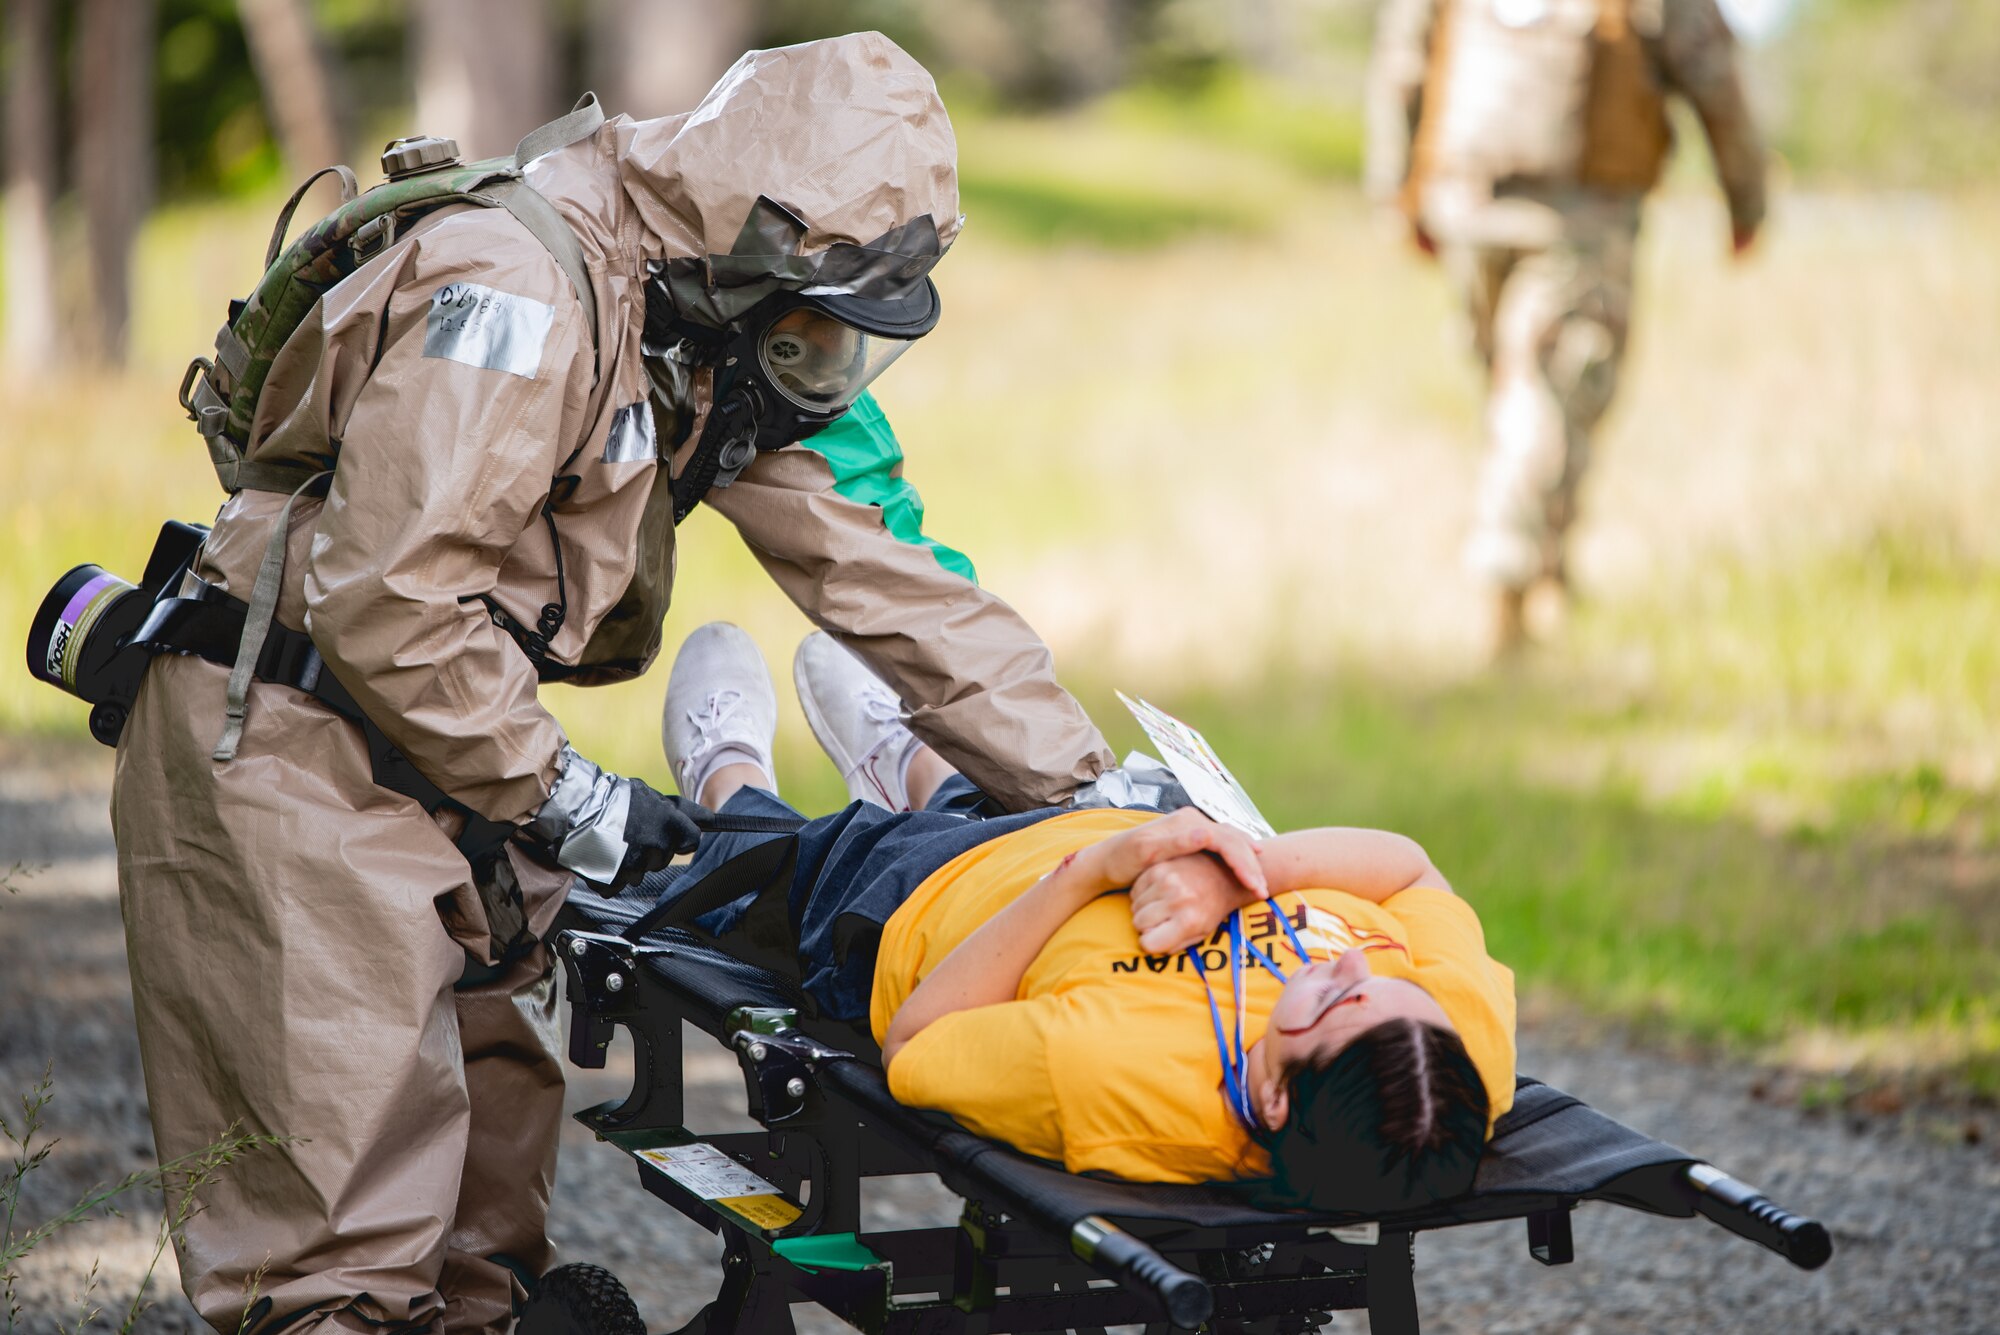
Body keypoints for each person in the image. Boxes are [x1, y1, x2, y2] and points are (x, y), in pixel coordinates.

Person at [113, 34, 1124, 1334]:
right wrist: (569, 792)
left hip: (447, 754)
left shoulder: (710, 322)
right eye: (819, 322)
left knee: (484, 1237)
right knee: (340, 1266)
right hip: (291, 746)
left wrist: (1103, 796)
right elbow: (387, 594)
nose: (828, 358)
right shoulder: (518, 289)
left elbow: (890, 578)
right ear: (768, 248)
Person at [658, 624, 1517, 1209]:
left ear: (1275, 1097)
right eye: (1389, 980)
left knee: (771, 863)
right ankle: (907, 761)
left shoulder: (1106, 1077)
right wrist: (1238, 874)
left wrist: (1086, 876)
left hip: (918, 901)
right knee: (981, 794)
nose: (1357, 966)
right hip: (1098, 826)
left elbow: (915, 1041)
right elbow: (1413, 865)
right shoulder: (1446, 1061)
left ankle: (726, 777)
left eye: (1336, 1001)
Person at [1365, 0, 1767, 653]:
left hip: (1470, 201)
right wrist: (1746, 196)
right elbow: (1711, 71)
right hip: (1577, 216)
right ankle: (1508, 595)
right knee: (1546, 402)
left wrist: (1396, 191)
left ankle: (1547, 574)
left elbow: (1402, 62)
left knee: (1525, 401)